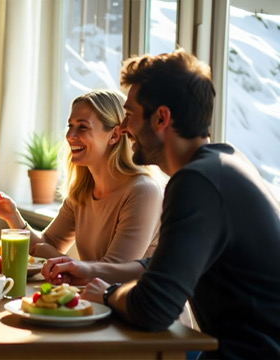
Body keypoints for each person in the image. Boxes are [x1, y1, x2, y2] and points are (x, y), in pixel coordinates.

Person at [44, 50, 280, 359]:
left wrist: (107, 292)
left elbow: (153, 307)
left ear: (161, 118)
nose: (124, 128)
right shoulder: (223, 163)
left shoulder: (197, 182)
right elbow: (163, 264)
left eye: (129, 115)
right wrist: (90, 270)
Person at [0, 89, 162, 263]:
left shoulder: (143, 192)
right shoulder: (82, 191)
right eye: (70, 126)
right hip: (89, 290)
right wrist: (13, 216)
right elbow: (47, 243)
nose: (70, 136)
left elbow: (114, 270)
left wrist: (49, 254)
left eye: (83, 127)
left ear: (115, 135)